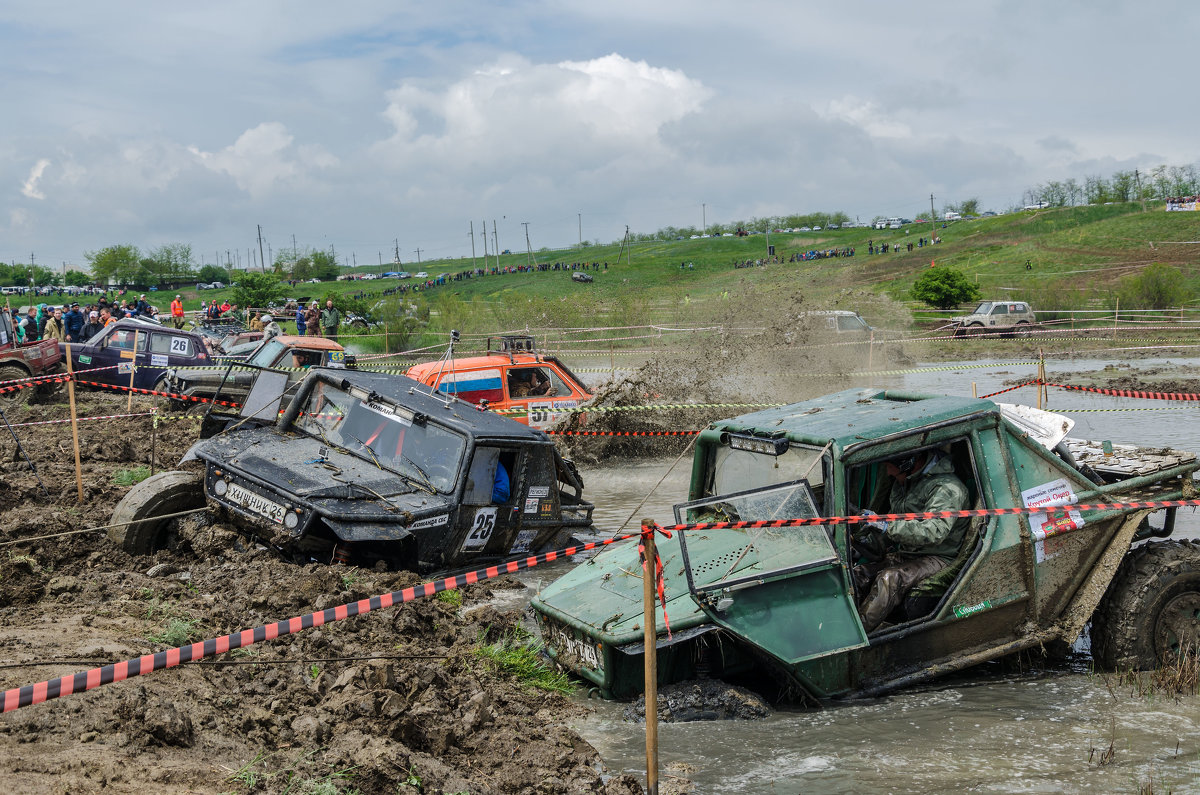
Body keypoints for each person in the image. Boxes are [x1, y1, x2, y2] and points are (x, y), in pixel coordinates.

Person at [853, 449, 970, 633]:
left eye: (892, 469)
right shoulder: (903, 483)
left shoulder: (947, 488)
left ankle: (855, 635)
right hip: (909, 552)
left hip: (938, 557)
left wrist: (887, 526)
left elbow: (934, 532)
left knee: (889, 578)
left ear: (908, 465)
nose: (889, 473)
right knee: (857, 574)